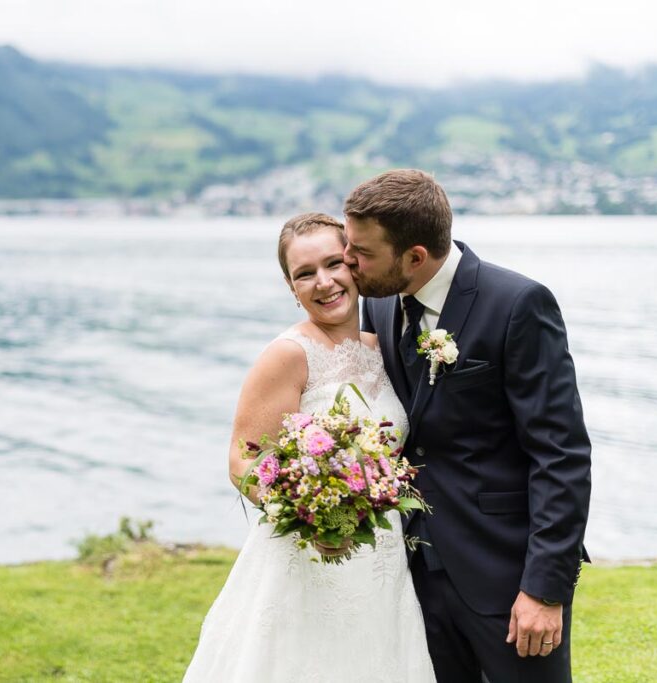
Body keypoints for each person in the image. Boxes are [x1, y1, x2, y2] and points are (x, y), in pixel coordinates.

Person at [342, 169, 591, 683]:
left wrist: (544, 589)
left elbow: (560, 454)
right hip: (409, 574)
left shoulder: (518, 305)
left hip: (503, 574)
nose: (348, 261)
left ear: (414, 256)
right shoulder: (380, 300)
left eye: (361, 251)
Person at [184, 213, 435, 683]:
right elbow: (242, 460)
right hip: (308, 558)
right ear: (290, 286)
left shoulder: (384, 346)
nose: (324, 282)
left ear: (355, 264)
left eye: (333, 264)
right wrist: (309, 513)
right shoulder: (288, 354)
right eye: (304, 274)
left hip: (382, 561)